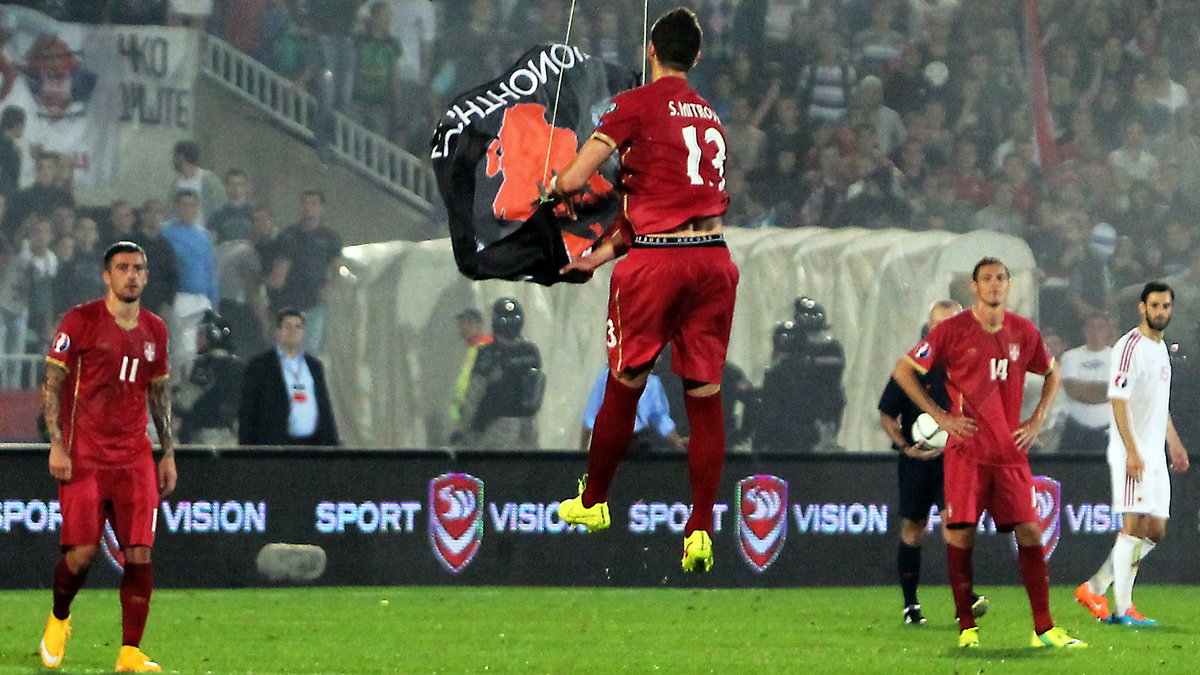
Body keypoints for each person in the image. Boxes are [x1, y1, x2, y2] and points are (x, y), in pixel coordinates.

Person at [547, 8, 738, 573]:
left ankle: (594, 500)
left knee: (625, 381)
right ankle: (701, 528)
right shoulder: (711, 117)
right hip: (714, 259)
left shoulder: (633, 104)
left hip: (658, 265)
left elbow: (576, 180)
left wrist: (552, 184)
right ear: (696, 58)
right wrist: (598, 255)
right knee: (704, 396)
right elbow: (663, 202)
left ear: (649, 49)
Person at [893, 257, 1086, 649]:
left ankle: (1045, 630)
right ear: (975, 288)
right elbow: (903, 370)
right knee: (960, 535)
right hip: (967, 454)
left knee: (1030, 530)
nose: (995, 285)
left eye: (1001, 278)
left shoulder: (1023, 331)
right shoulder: (952, 331)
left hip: (1010, 455)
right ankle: (967, 627)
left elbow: (1052, 371)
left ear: (1008, 286)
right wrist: (941, 417)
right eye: (987, 279)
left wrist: (1036, 420)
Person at [39, 241, 175, 672]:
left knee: (140, 553)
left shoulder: (155, 329)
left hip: (135, 456)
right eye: (123, 267)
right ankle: (60, 617)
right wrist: (57, 443)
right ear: (107, 276)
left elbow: (158, 392)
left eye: (138, 268)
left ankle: (130, 652)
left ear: (146, 276)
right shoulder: (80, 321)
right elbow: (52, 384)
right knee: (81, 554)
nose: (131, 275)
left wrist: (168, 451)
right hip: (86, 456)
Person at [1075, 282, 1189, 626]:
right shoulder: (1129, 346)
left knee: (1156, 531)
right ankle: (1124, 609)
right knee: (1133, 525)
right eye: (1155, 305)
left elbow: (1158, 404)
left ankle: (1095, 587)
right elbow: (1118, 399)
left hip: (1154, 452)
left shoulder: (1161, 348)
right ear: (1142, 307)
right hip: (1132, 451)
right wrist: (1132, 451)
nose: (1160, 311)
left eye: (1166, 306)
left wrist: (1174, 441)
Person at [879, 299, 990, 626]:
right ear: (929, 329)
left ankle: (963, 601)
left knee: (956, 528)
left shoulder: (972, 364)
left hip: (956, 460)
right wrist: (904, 447)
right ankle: (911, 604)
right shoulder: (913, 365)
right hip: (919, 461)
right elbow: (887, 413)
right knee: (913, 532)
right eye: (939, 325)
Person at [754, 298, 846, 453]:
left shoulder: (828, 350)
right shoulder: (787, 367)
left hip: (816, 417)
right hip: (798, 423)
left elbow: (831, 382)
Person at [238, 308, 339, 446]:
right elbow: (247, 412)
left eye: (298, 327)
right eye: (287, 326)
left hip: (312, 448)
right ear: (278, 331)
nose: (293, 331)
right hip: (275, 450)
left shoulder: (314, 366)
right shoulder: (260, 365)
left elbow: (324, 408)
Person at [454, 298, 543, 450]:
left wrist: (463, 430)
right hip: (527, 430)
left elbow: (474, 396)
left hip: (492, 431)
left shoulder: (489, 354)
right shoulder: (531, 352)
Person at [582, 366, 685, 454]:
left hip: (638, 442)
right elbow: (590, 417)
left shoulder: (652, 383)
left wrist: (676, 441)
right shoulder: (607, 379)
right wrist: (582, 451)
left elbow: (660, 419)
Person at [178, 310, 244, 446]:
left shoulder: (204, 365)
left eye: (201, 334)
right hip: (230, 435)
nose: (197, 338)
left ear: (212, 336)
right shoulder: (239, 366)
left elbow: (186, 402)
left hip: (205, 437)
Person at [1058, 313, 1116, 453]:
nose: (1095, 331)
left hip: (1109, 433)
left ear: (1108, 331)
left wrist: (1085, 386)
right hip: (1075, 433)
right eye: (1091, 327)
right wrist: (1104, 388)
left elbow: (1117, 392)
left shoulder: (1119, 357)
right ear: (1084, 330)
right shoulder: (1070, 357)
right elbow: (1073, 391)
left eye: (1101, 327)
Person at [448, 307, 492, 429]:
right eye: (462, 323)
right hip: (466, 416)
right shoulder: (470, 349)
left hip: (477, 418)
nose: (464, 327)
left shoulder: (487, 349)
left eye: (469, 323)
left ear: (480, 325)